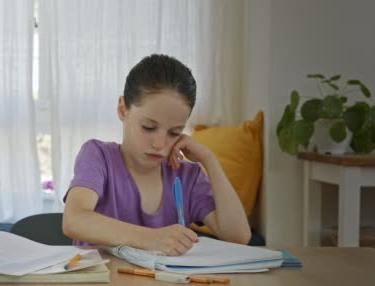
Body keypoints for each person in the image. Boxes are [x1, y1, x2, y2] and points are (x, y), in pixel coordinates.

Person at [62, 54, 251, 256]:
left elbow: (239, 236)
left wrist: (209, 160)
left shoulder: (187, 176)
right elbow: (74, 219)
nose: (159, 144)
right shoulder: (98, 156)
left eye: (174, 133)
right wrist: (151, 239)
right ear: (122, 109)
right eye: (148, 127)